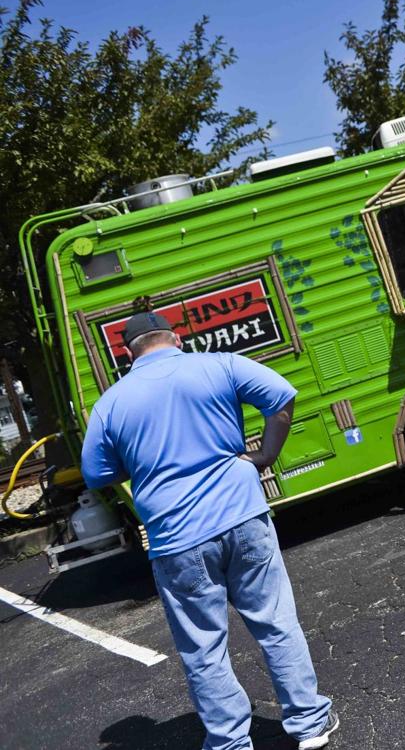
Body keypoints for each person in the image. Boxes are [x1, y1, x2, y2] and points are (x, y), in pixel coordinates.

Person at [81, 312, 339, 749]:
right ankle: (309, 723)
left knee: (203, 648)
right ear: (177, 338)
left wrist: (144, 462)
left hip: (176, 537)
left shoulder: (111, 403)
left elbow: (96, 472)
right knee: (276, 623)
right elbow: (281, 397)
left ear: (127, 352)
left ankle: (230, 741)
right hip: (242, 515)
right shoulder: (219, 364)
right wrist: (265, 454)